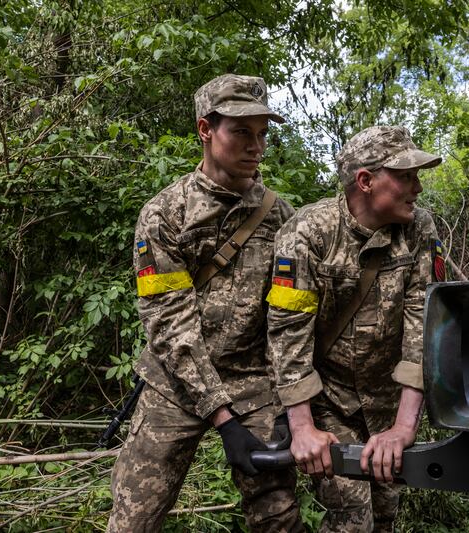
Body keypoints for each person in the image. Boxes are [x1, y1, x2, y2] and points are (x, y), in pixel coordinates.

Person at [108, 74, 303, 532]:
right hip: (173, 385)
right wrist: (222, 419)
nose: (256, 146)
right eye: (241, 131)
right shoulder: (165, 214)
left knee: (278, 516)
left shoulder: (283, 218)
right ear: (205, 130)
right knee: (133, 519)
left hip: (254, 384)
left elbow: (292, 318)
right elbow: (168, 324)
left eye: (262, 134)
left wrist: (290, 403)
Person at [266, 125, 446, 532]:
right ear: (365, 181)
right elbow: (287, 334)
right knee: (353, 518)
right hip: (327, 400)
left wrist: (403, 427)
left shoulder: (420, 230)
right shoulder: (308, 233)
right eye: (405, 177)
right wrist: (303, 428)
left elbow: (424, 326)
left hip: (386, 401)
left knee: (384, 513)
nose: (417, 188)